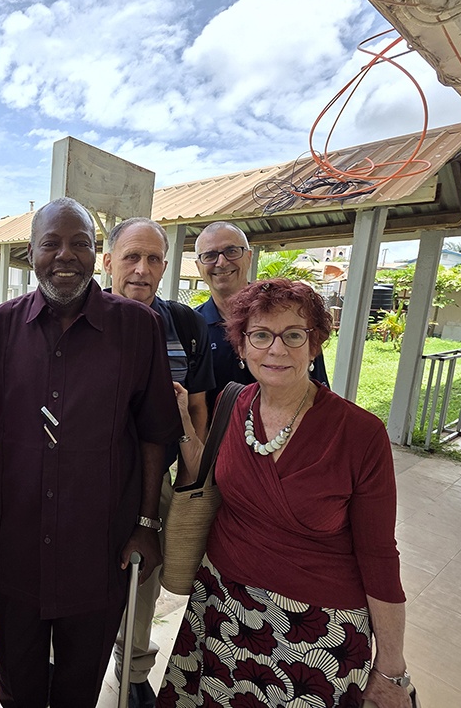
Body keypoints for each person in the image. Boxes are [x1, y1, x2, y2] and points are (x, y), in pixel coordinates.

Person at [157, 279, 408, 708]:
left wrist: (391, 669)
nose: (277, 350)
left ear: (314, 346)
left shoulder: (361, 433)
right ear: (241, 345)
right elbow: (208, 479)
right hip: (220, 606)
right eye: (260, 335)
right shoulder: (234, 403)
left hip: (315, 631)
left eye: (294, 335)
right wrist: (182, 422)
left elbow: (379, 555)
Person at [0, 198, 182, 708]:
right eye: (51, 243)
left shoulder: (137, 327)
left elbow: (156, 432)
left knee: (77, 691)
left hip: (99, 552)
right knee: (18, 688)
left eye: (80, 243)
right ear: (31, 252)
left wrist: (146, 525)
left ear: (97, 255)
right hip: (15, 550)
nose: (65, 255)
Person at [102, 216, 214, 708]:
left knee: (142, 578)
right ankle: (71, 661)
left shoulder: (185, 323)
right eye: (131, 257)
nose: (141, 270)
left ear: (166, 267)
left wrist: (192, 473)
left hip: (159, 475)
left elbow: (199, 409)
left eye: (153, 260)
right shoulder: (86, 320)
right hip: (92, 475)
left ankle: (132, 671)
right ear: (108, 262)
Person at [193, 221, 328, 414]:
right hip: (220, 439)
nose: (221, 262)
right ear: (199, 266)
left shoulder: (288, 317)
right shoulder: (192, 326)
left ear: (249, 257)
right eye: (210, 255)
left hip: (289, 433)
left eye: (231, 251)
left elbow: (318, 388)